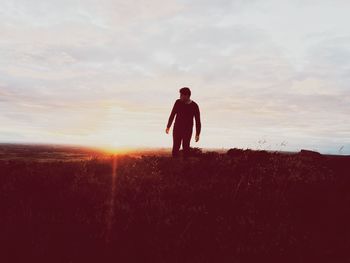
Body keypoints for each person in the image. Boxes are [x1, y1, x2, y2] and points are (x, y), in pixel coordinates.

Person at [165, 87, 201, 159]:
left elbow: (198, 121)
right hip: (177, 129)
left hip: (187, 130)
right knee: (175, 147)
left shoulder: (194, 106)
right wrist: (168, 126)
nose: (180, 97)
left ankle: (186, 167)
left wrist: (197, 134)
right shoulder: (178, 102)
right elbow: (172, 114)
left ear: (187, 95)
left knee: (186, 148)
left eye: (181, 95)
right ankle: (174, 166)